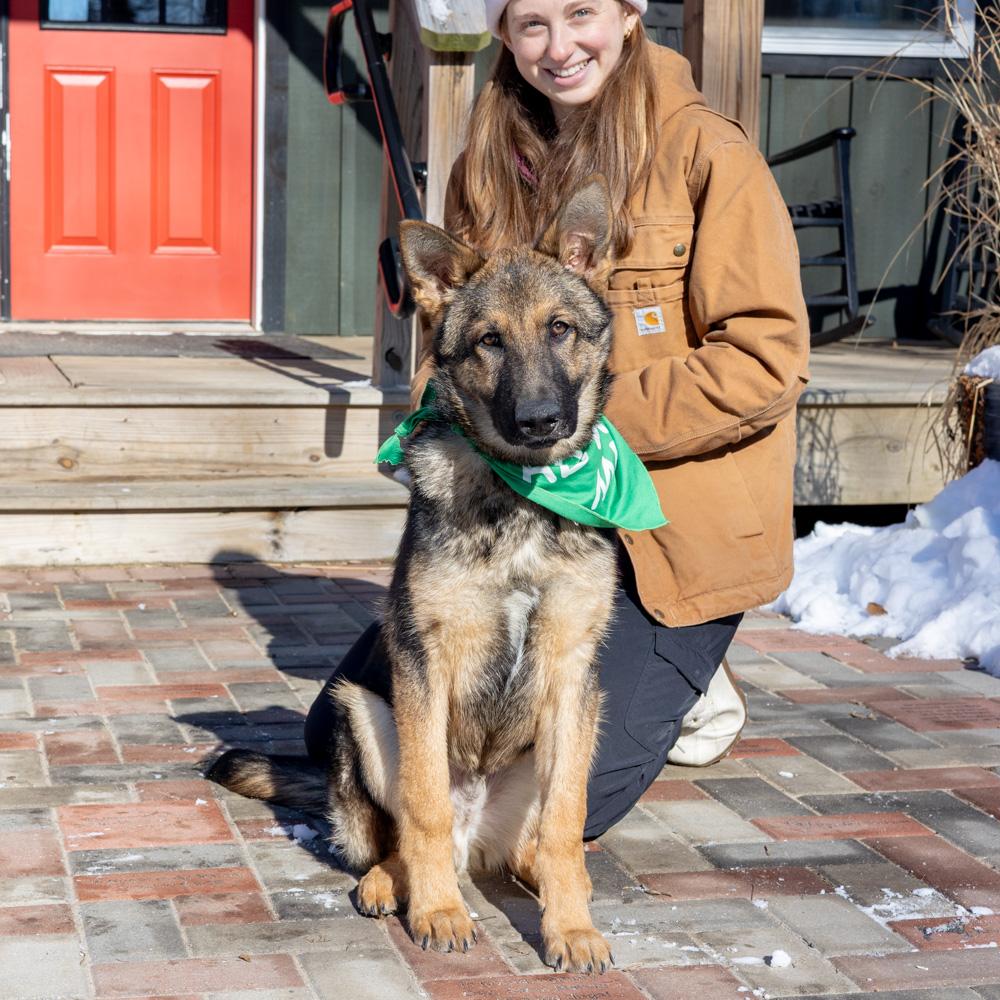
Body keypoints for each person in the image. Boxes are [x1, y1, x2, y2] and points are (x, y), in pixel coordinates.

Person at [305, 0, 809, 839]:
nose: (560, 45)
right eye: (532, 22)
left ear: (630, 13)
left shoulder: (706, 152)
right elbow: (450, 342)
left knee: (551, 809)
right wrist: (464, 428)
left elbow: (766, 361)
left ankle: (686, 672)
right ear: (503, 34)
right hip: (515, 512)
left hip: (661, 535)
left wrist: (579, 424)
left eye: (581, 12)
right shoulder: (486, 165)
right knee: (336, 731)